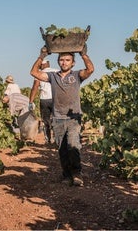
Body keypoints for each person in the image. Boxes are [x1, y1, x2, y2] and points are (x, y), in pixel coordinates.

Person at [30, 44, 94, 186]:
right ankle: (66, 175)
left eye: (67, 60)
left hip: (73, 118)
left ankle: (77, 174)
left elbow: (90, 69)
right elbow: (34, 72)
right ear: (58, 61)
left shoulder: (77, 75)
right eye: (61, 60)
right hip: (58, 118)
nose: (64, 62)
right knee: (62, 149)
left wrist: (84, 54)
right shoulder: (52, 76)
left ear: (73, 63)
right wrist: (42, 56)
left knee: (73, 145)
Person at [29, 59, 58, 144]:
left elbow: (35, 87)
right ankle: (56, 139)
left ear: (41, 65)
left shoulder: (39, 73)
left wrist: (31, 101)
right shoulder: (56, 71)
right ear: (48, 63)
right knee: (56, 119)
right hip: (56, 99)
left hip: (44, 99)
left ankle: (48, 140)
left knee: (46, 121)